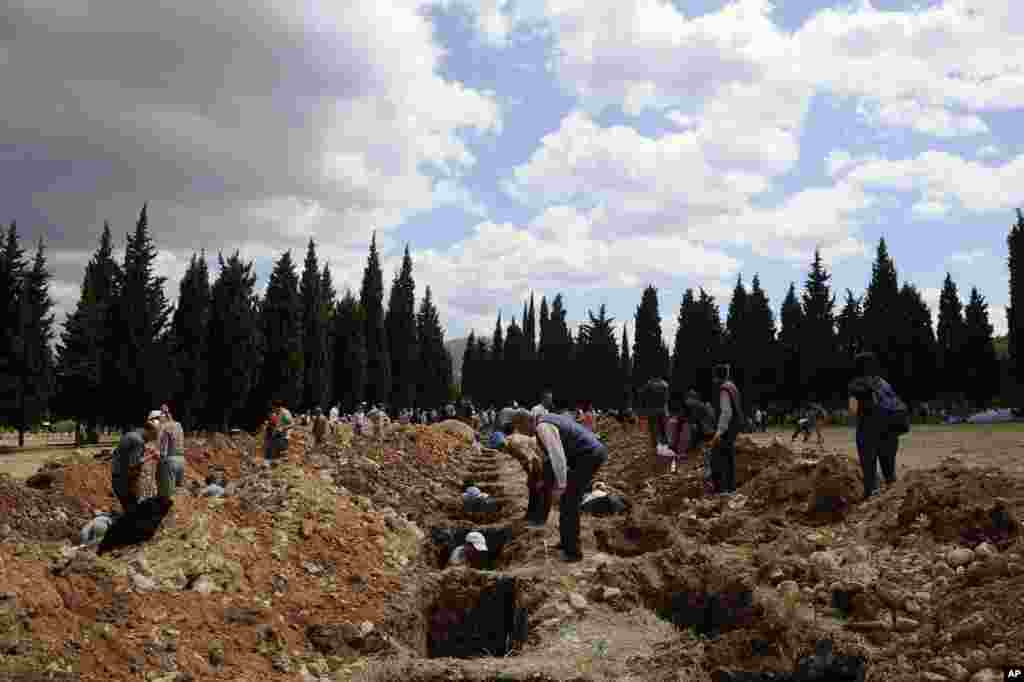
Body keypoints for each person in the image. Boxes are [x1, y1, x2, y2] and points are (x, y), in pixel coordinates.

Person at [510, 409, 608, 562]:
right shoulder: (545, 421)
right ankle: (566, 543)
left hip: (589, 455)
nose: (522, 432)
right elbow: (550, 459)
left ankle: (573, 552)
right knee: (567, 501)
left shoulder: (543, 426)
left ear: (527, 422)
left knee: (569, 501)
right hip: (585, 455)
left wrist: (561, 486)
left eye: (520, 428)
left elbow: (558, 456)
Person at [848, 352, 905, 499]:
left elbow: (853, 410)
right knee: (890, 474)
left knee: (870, 474)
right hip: (891, 431)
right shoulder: (884, 383)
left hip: (868, 431)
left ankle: (870, 503)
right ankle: (893, 503)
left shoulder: (856, 384)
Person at [112, 419, 161, 514]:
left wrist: (147, 449)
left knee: (130, 509)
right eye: (154, 435)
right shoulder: (138, 441)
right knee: (133, 511)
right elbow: (134, 463)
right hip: (125, 481)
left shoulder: (131, 434)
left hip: (118, 477)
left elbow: (127, 451)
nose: (153, 439)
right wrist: (151, 456)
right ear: (149, 431)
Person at [709, 364, 744, 496]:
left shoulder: (723, 389)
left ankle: (720, 489)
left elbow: (726, 412)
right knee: (729, 457)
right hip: (734, 427)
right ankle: (731, 488)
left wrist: (719, 431)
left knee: (717, 457)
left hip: (726, 428)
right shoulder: (732, 386)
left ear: (716, 377)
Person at [155, 406, 185, 498]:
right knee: (177, 491)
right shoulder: (179, 425)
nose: (159, 419)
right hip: (181, 461)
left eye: (160, 416)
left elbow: (161, 448)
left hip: (170, 461)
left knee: (167, 495)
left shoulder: (165, 426)